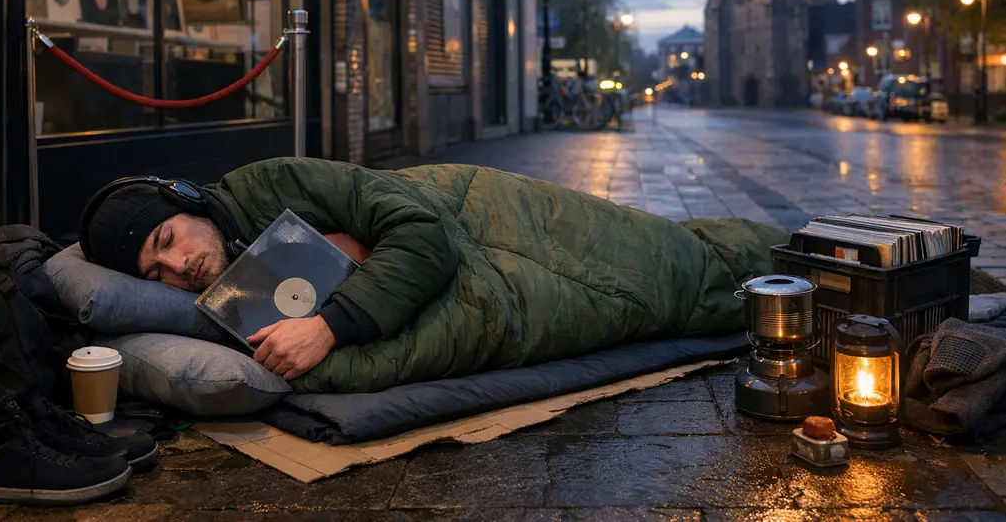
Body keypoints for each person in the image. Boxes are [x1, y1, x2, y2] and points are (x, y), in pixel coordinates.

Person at [80, 157, 786, 394]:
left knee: (684, 266)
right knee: (640, 293)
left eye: (170, 238)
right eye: (157, 270)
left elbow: (423, 228)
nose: (178, 265)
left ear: (188, 202)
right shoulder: (228, 305)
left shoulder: (273, 183)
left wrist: (332, 324)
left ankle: (780, 255)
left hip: (488, 219)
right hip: (493, 282)